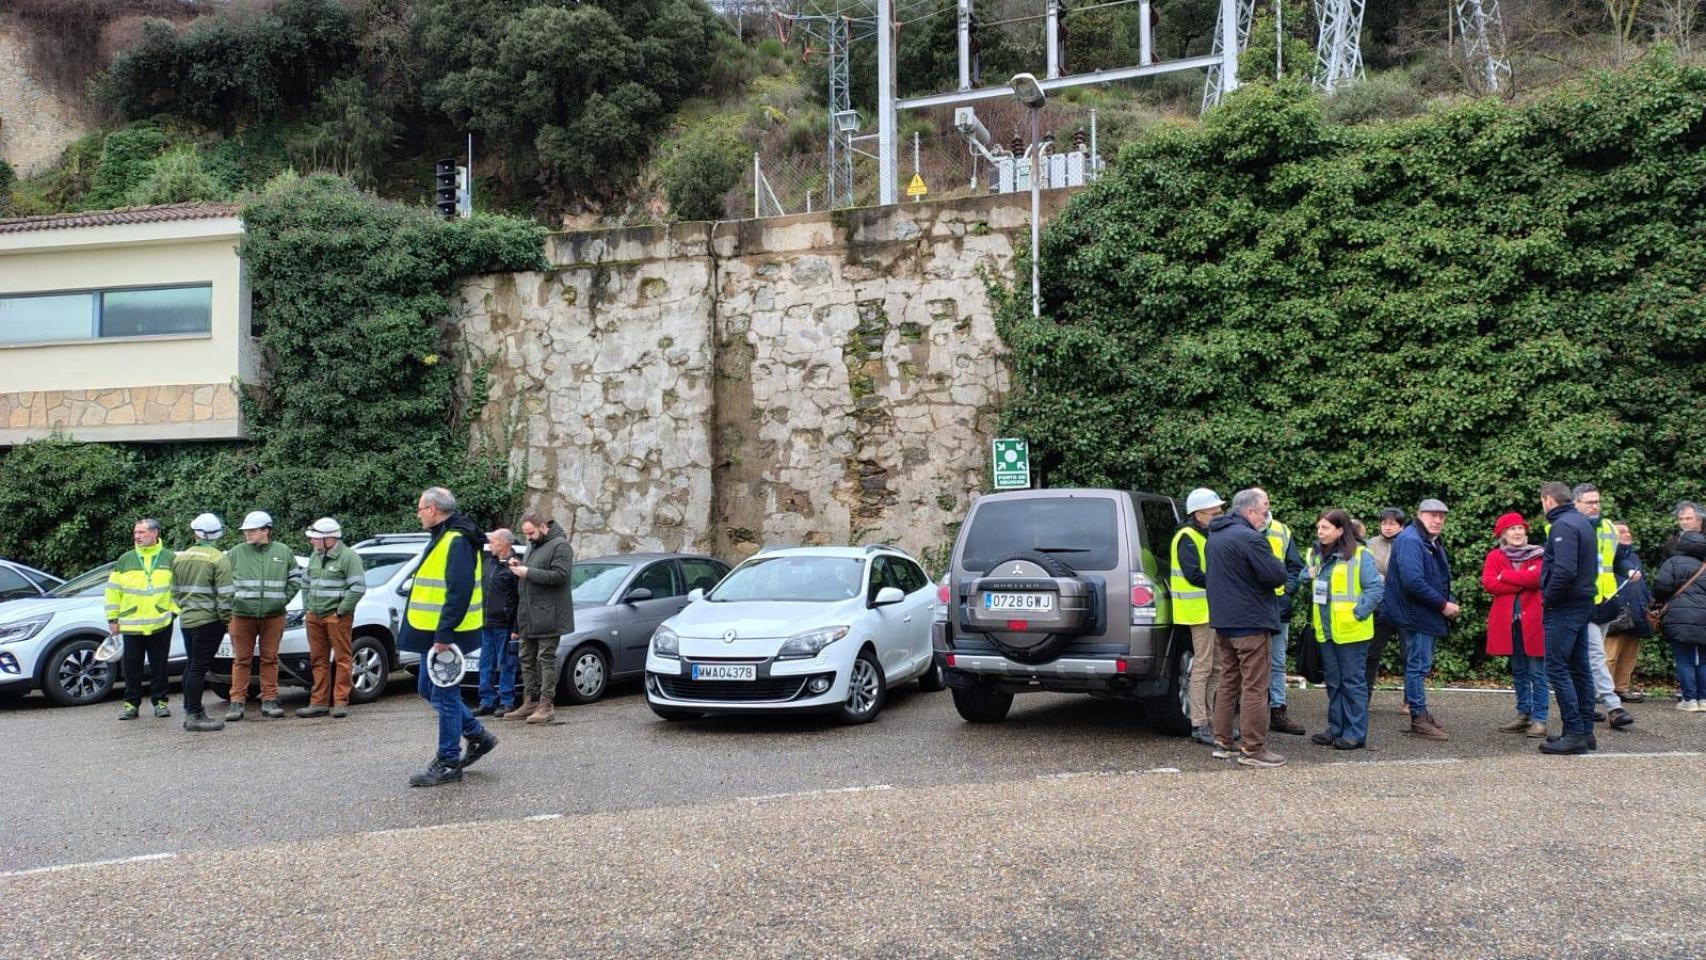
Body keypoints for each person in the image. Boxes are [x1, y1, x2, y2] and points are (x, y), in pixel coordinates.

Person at [400, 486, 497, 787]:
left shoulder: (456, 539)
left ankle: (448, 761)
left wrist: (444, 632)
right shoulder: (447, 536)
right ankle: (478, 735)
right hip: (434, 633)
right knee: (428, 689)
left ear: (432, 509)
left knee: (445, 695)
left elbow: (459, 591)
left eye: (420, 508)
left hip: (446, 635)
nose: (418, 514)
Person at [1204, 488, 1289, 768]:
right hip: (1251, 621)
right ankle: (1253, 749)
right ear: (1249, 511)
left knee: (1228, 682)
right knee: (1255, 686)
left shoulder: (1214, 536)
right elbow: (1276, 574)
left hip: (1224, 621)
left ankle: (1222, 742)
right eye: (1263, 511)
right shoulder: (1251, 538)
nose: (1266, 516)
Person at [1303, 509, 1384, 750]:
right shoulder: (1316, 554)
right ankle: (1336, 728)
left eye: (1325, 528)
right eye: (1319, 527)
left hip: (1351, 631)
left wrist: (1357, 614)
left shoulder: (1360, 555)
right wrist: (1306, 574)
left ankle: (1355, 733)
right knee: (1334, 682)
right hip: (1326, 631)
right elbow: (1303, 577)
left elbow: (1375, 590)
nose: (1320, 532)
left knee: (1352, 682)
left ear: (1340, 530)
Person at [1381, 498, 1460, 741]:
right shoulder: (1412, 540)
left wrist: (1448, 599)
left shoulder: (1427, 540)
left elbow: (1437, 577)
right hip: (1416, 614)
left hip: (1424, 613)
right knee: (1417, 666)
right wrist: (1443, 604)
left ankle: (1420, 713)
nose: (1437, 520)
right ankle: (1418, 717)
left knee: (1419, 665)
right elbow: (1413, 581)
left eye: (1441, 516)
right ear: (1419, 515)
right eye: (1432, 515)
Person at [1538, 480, 1601, 755]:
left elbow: (1564, 570)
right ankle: (1585, 732)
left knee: (1557, 668)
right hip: (1582, 603)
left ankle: (1574, 732)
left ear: (1548, 501)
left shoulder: (1562, 526)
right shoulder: (1583, 523)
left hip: (1565, 607)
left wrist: (1548, 599)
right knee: (1579, 668)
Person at [224, 511, 304, 721]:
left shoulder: (283, 551)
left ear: (265, 530)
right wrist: (233, 602)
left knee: (270, 658)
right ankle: (237, 702)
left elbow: (296, 579)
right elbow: (222, 582)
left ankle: (269, 699)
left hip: (273, 615)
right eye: (245, 531)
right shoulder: (235, 553)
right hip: (241, 615)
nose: (247, 534)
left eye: (252, 530)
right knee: (241, 659)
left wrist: (282, 600)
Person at [1573, 485, 1636, 730]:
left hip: (1607, 602)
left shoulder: (1609, 527)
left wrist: (1629, 569)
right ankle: (1613, 706)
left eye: (1597, 501)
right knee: (1596, 655)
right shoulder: (1571, 528)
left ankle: (1585, 704)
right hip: (1583, 602)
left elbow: (1618, 557)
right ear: (1576, 503)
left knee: (1587, 657)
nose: (1594, 506)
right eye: (1589, 502)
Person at [504, 511, 575, 725]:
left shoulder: (561, 545)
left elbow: (560, 576)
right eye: (525, 534)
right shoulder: (533, 546)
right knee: (526, 658)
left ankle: (546, 705)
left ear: (543, 526)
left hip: (549, 615)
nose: (528, 537)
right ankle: (530, 701)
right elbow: (531, 573)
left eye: (531, 532)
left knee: (545, 659)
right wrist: (518, 567)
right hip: (529, 614)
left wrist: (527, 572)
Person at [105, 518, 179, 721]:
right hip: (131, 624)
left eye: (142, 533)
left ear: (155, 533)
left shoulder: (169, 558)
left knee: (160, 665)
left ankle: (161, 703)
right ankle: (131, 705)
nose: (137, 537)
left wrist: (173, 611)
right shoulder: (126, 559)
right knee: (131, 666)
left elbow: (179, 589)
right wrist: (112, 618)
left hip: (160, 622)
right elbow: (113, 591)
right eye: (136, 533)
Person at [1481, 512, 1547, 738]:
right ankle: (1523, 713)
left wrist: (1505, 577)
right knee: (1518, 669)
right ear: (1503, 535)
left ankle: (1539, 719)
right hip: (1509, 623)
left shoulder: (1539, 554)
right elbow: (1489, 583)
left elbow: (1538, 579)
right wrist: (1520, 580)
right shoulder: (1494, 556)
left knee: (1537, 672)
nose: (1518, 533)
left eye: (1521, 528)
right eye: (1512, 529)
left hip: (1534, 621)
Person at [1170, 487, 1225, 747]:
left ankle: (1213, 722)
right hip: (1197, 611)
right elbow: (1193, 574)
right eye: (1215, 512)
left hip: (1210, 610)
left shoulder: (1204, 534)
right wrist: (1225, 582)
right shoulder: (1187, 536)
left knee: (1215, 667)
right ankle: (1199, 723)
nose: (1219, 515)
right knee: (1203, 667)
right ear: (1199, 514)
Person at [297, 517, 365, 719]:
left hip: (337, 617)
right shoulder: (315, 556)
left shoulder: (349, 557)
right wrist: (308, 608)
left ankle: (341, 701)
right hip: (314, 616)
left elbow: (358, 587)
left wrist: (341, 611)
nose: (312, 542)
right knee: (318, 659)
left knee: (343, 659)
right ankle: (318, 702)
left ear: (329, 539)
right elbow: (305, 583)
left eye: (316, 538)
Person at [173, 513, 234, 732]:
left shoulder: (180, 557)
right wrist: (226, 619)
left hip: (187, 620)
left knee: (191, 666)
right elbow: (225, 594)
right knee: (198, 668)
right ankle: (194, 715)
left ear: (195, 533)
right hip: (209, 622)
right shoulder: (218, 558)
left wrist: (187, 608)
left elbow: (175, 592)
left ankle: (193, 711)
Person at [1261, 504, 1307, 737]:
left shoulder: (1281, 530)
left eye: (1267, 503)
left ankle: (1278, 711)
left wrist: (1287, 593)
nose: (1265, 507)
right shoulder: (1239, 529)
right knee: (1244, 663)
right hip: (1249, 609)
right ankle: (1249, 712)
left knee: (1277, 662)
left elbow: (1295, 567)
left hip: (1278, 608)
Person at [1651, 530, 1706, 712]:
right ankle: (1703, 699)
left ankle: (1689, 700)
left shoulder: (1672, 563)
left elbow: (1661, 587)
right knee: (1703, 660)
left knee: (1684, 659)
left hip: (1678, 617)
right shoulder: (1704, 566)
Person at [1602, 521, 1653, 704]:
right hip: (1617, 612)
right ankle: (1604, 691)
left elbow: (1642, 584)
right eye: (1622, 531)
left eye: (1628, 531)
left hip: (1636, 613)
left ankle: (1621, 688)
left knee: (1629, 656)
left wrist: (1647, 602)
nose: (1627, 534)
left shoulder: (1635, 557)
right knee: (1610, 656)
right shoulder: (1607, 557)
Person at [479, 527, 523, 717]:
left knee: (506, 663)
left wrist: (515, 627)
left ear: (505, 543)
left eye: (494, 541)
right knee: (485, 663)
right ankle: (487, 701)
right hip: (486, 623)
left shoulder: (514, 566)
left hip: (505, 624)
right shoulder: (488, 563)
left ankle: (506, 701)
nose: (491, 545)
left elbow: (519, 599)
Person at [1365, 507, 1406, 709]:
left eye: (1392, 523)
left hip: (1406, 607)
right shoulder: (1370, 544)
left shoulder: (1409, 543)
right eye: (1384, 523)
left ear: (1401, 526)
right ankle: (1365, 698)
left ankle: (1410, 702)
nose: (1388, 527)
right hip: (1380, 607)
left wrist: (1386, 579)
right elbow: (1366, 571)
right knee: (1371, 653)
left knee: (1409, 654)